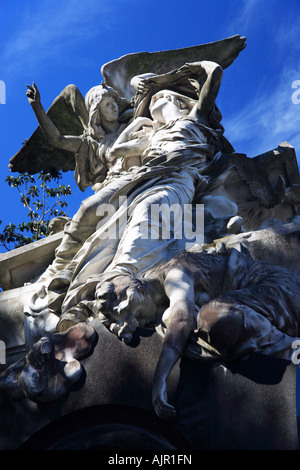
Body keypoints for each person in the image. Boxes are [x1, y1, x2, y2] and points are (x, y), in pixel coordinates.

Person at [53, 61, 226, 327]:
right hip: (144, 181)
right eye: (155, 101)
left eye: (164, 99)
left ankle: (122, 283)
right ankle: (104, 286)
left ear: (180, 104)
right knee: (118, 229)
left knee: (148, 213)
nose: (158, 101)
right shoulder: (152, 133)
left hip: (176, 181)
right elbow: (115, 152)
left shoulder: (195, 119)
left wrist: (190, 67)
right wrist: (139, 128)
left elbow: (214, 73)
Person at [95, 247, 300, 418]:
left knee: (214, 316)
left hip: (279, 290)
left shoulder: (174, 273)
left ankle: (289, 347)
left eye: (136, 315)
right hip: (258, 300)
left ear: (138, 291)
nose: (141, 322)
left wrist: (159, 379)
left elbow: (182, 317)